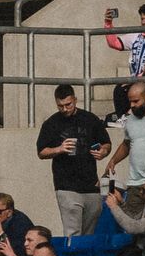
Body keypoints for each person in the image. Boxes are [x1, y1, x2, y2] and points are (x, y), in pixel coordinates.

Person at [42, 84, 113, 239]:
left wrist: (103, 152)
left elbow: (106, 143)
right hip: (66, 186)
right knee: (73, 234)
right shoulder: (52, 123)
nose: (65, 109)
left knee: (89, 235)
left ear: (75, 100)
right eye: (60, 106)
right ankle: (74, 255)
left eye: (68, 104)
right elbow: (41, 151)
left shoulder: (90, 119)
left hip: (91, 184)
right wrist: (59, 149)